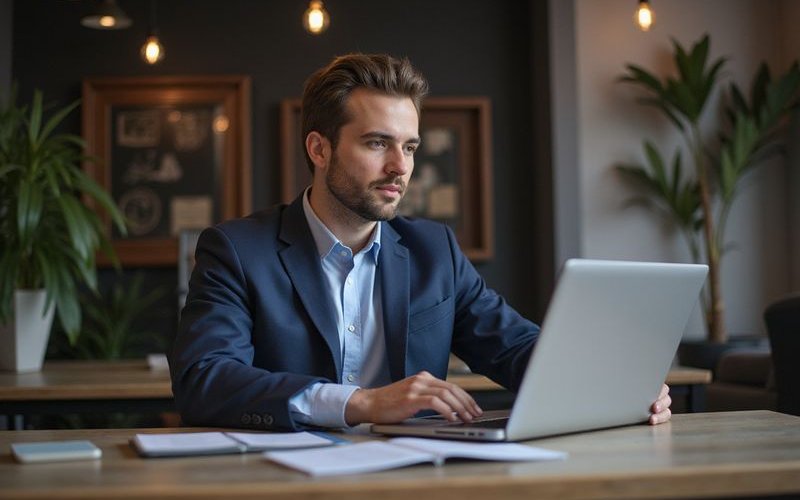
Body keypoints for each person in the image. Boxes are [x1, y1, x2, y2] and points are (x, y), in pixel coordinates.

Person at [170, 53, 672, 431]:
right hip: (284, 480)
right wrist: (360, 402)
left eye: (409, 146)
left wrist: (614, 385)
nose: (401, 167)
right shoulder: (237, 250)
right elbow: (205, 378)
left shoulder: (435, 250)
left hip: (415, 474)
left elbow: (516, 347)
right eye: (376, 143)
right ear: (319, 148)